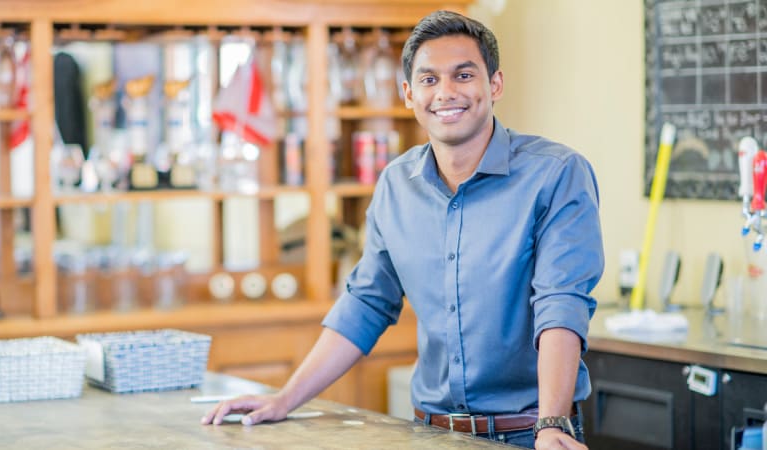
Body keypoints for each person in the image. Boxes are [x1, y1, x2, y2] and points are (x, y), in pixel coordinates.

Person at [202, 10, 603, 450]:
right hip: (428, 433)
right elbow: (366, 304)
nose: (446, 92)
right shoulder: (396, 184)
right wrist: (284, 399)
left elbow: (560, 305)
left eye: (463, 75)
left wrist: (552, 423)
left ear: (495, 85)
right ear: (409, 94)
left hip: (530, 435)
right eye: (429, 80)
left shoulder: (557, 174)